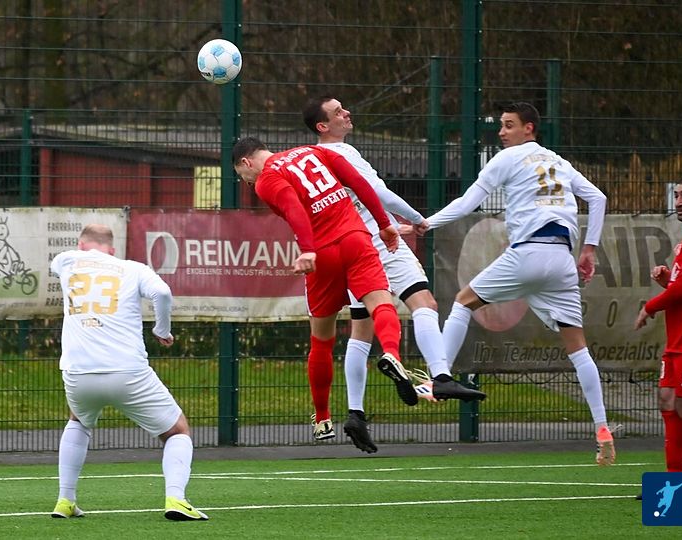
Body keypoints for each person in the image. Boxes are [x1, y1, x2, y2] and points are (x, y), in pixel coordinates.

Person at [419, 102, 616, 465]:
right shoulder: (558, 161)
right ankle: (602, 427)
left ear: (529, 128)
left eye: (509, 125)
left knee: (463, 301)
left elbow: (466, 203)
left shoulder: (507, 158)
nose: (501, 132)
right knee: (578, 347)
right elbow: (598, 198)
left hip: (529, 253)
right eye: (501, 125)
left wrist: (425, 224)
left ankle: (437, 379)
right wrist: (588, 250)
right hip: (562, 261)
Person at [303, 96, 486, 452]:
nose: (346, 112)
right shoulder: (342, 152)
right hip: (378, 241)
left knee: (361, 328)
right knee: (424, 303)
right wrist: (417, 219)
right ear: (323, 126)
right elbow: (377, 192)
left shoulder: (311, 161)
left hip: (349, 244)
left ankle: (356, 413)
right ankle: (440, 376)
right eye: (338, 112)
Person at [232, 136, 419, 445]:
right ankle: (392, 354)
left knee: (321, 339)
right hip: (356, 238)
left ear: (246, 162)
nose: (248, 183)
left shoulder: (267, 178)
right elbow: (359, 183)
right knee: (381, 303)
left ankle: (322, 419)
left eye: (243, 177)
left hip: (321, 253)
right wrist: (384, 224)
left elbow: (293, 207)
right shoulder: (315, 151)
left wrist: (307, 249)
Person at [49, 224, 207, 522]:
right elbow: (162, 292)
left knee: (78, 420)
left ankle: (65, 500)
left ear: (81, 246)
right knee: (177, 431)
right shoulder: (133, 269)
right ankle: (176, 498)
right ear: (112, 250)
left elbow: (68, 264)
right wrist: (162, 330)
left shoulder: (66, 260)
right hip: (128, 372)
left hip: (78, 372)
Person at [634, 175, 682, 473]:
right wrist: (667, 279)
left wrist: (649, 307)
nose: (679, 201)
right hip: (679, 338)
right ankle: (673, 485)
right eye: (677, 195)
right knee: (667, 400)